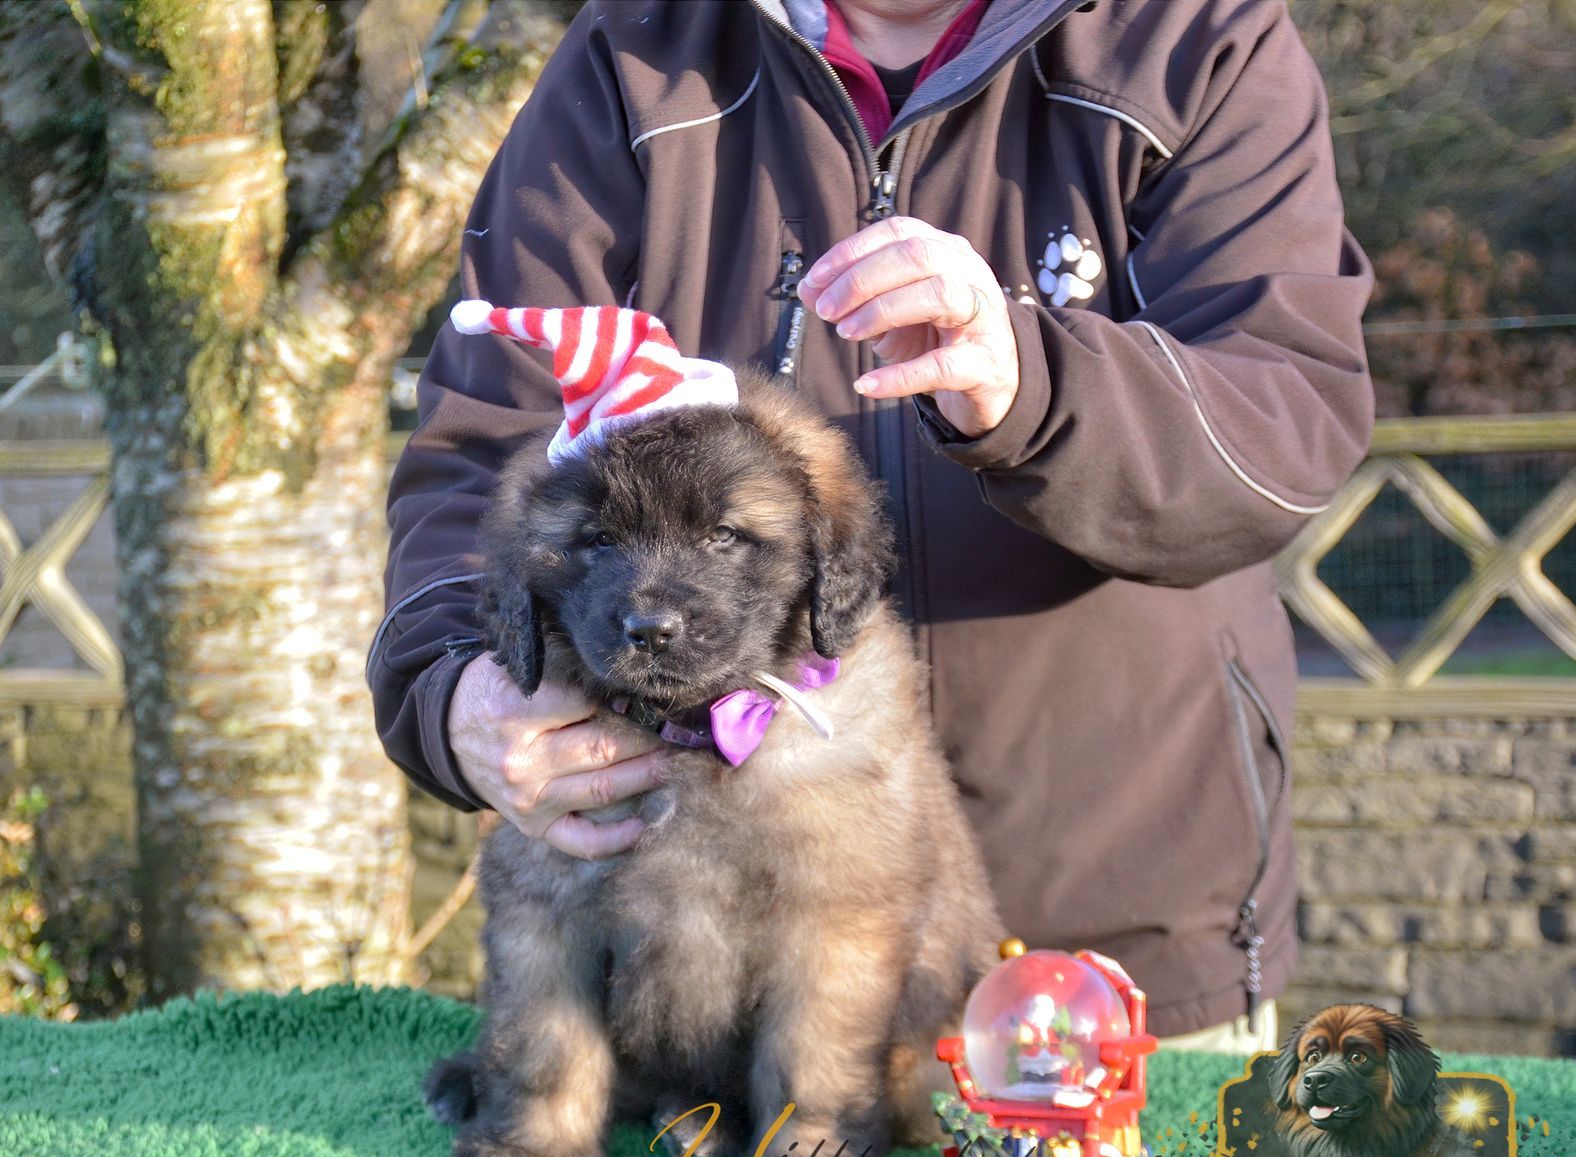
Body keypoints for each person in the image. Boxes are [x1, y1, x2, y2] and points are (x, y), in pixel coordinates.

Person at [370, 0, 1373, 1048]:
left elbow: (1282, 435)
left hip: (1113, 944)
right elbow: (484, 456)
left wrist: (1034, 385)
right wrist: (453, 693)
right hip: (694, 959)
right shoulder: (635, 51)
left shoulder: (1194, 36)